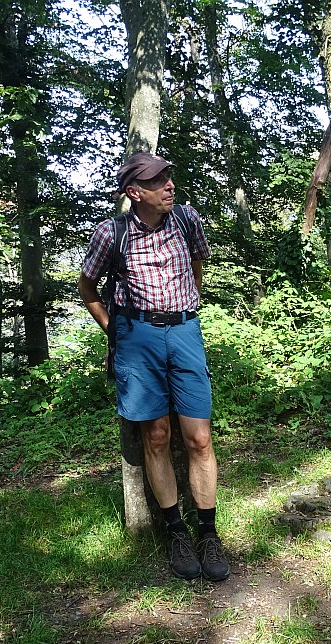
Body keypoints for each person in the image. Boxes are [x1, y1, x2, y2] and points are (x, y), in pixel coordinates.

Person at [77, 152, 229, 582]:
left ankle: (208, 532)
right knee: (157, 435)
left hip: (184, 333)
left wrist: (186, 307)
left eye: (168, 177)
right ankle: (176, 532)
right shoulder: (112, 232)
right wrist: (115, 331)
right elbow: (86, 286)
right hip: (136, 337)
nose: (168, 185)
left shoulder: (186, 220)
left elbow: (197, 266)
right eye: (157, 181)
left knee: (198, 437)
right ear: (134, 192)